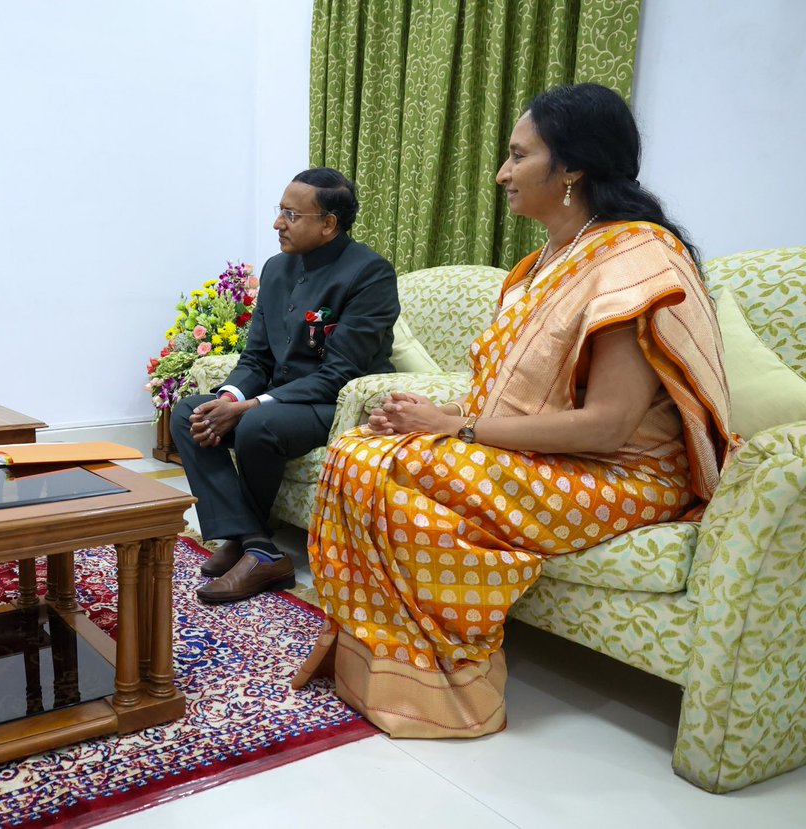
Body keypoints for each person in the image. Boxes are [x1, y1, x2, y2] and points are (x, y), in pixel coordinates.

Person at [291, 84, 734, 737]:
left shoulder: (634, 259)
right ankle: (384, 665)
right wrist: (438, 411)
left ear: (572, 168)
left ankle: (447, 682)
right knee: (356, 451)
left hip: (620, 475)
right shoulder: (540, 265)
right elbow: (511, 394)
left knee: (387, 469)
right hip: (544, 454)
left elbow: (608, 425)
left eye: (518, 154)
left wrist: (458, 428)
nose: (501, 172)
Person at [171, 167, 400, 604]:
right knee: (190, 412)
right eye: (281, 211)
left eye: (291, 215)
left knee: (260, 424)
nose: (278, 223)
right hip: (278, 399)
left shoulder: (369, 274)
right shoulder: (277, 269)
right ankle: (255, 544)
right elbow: (256, 357)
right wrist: (227, 398)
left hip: (333, 404)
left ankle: (248, 546)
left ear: (328, 224)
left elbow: (340, 373)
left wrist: (249, 407)